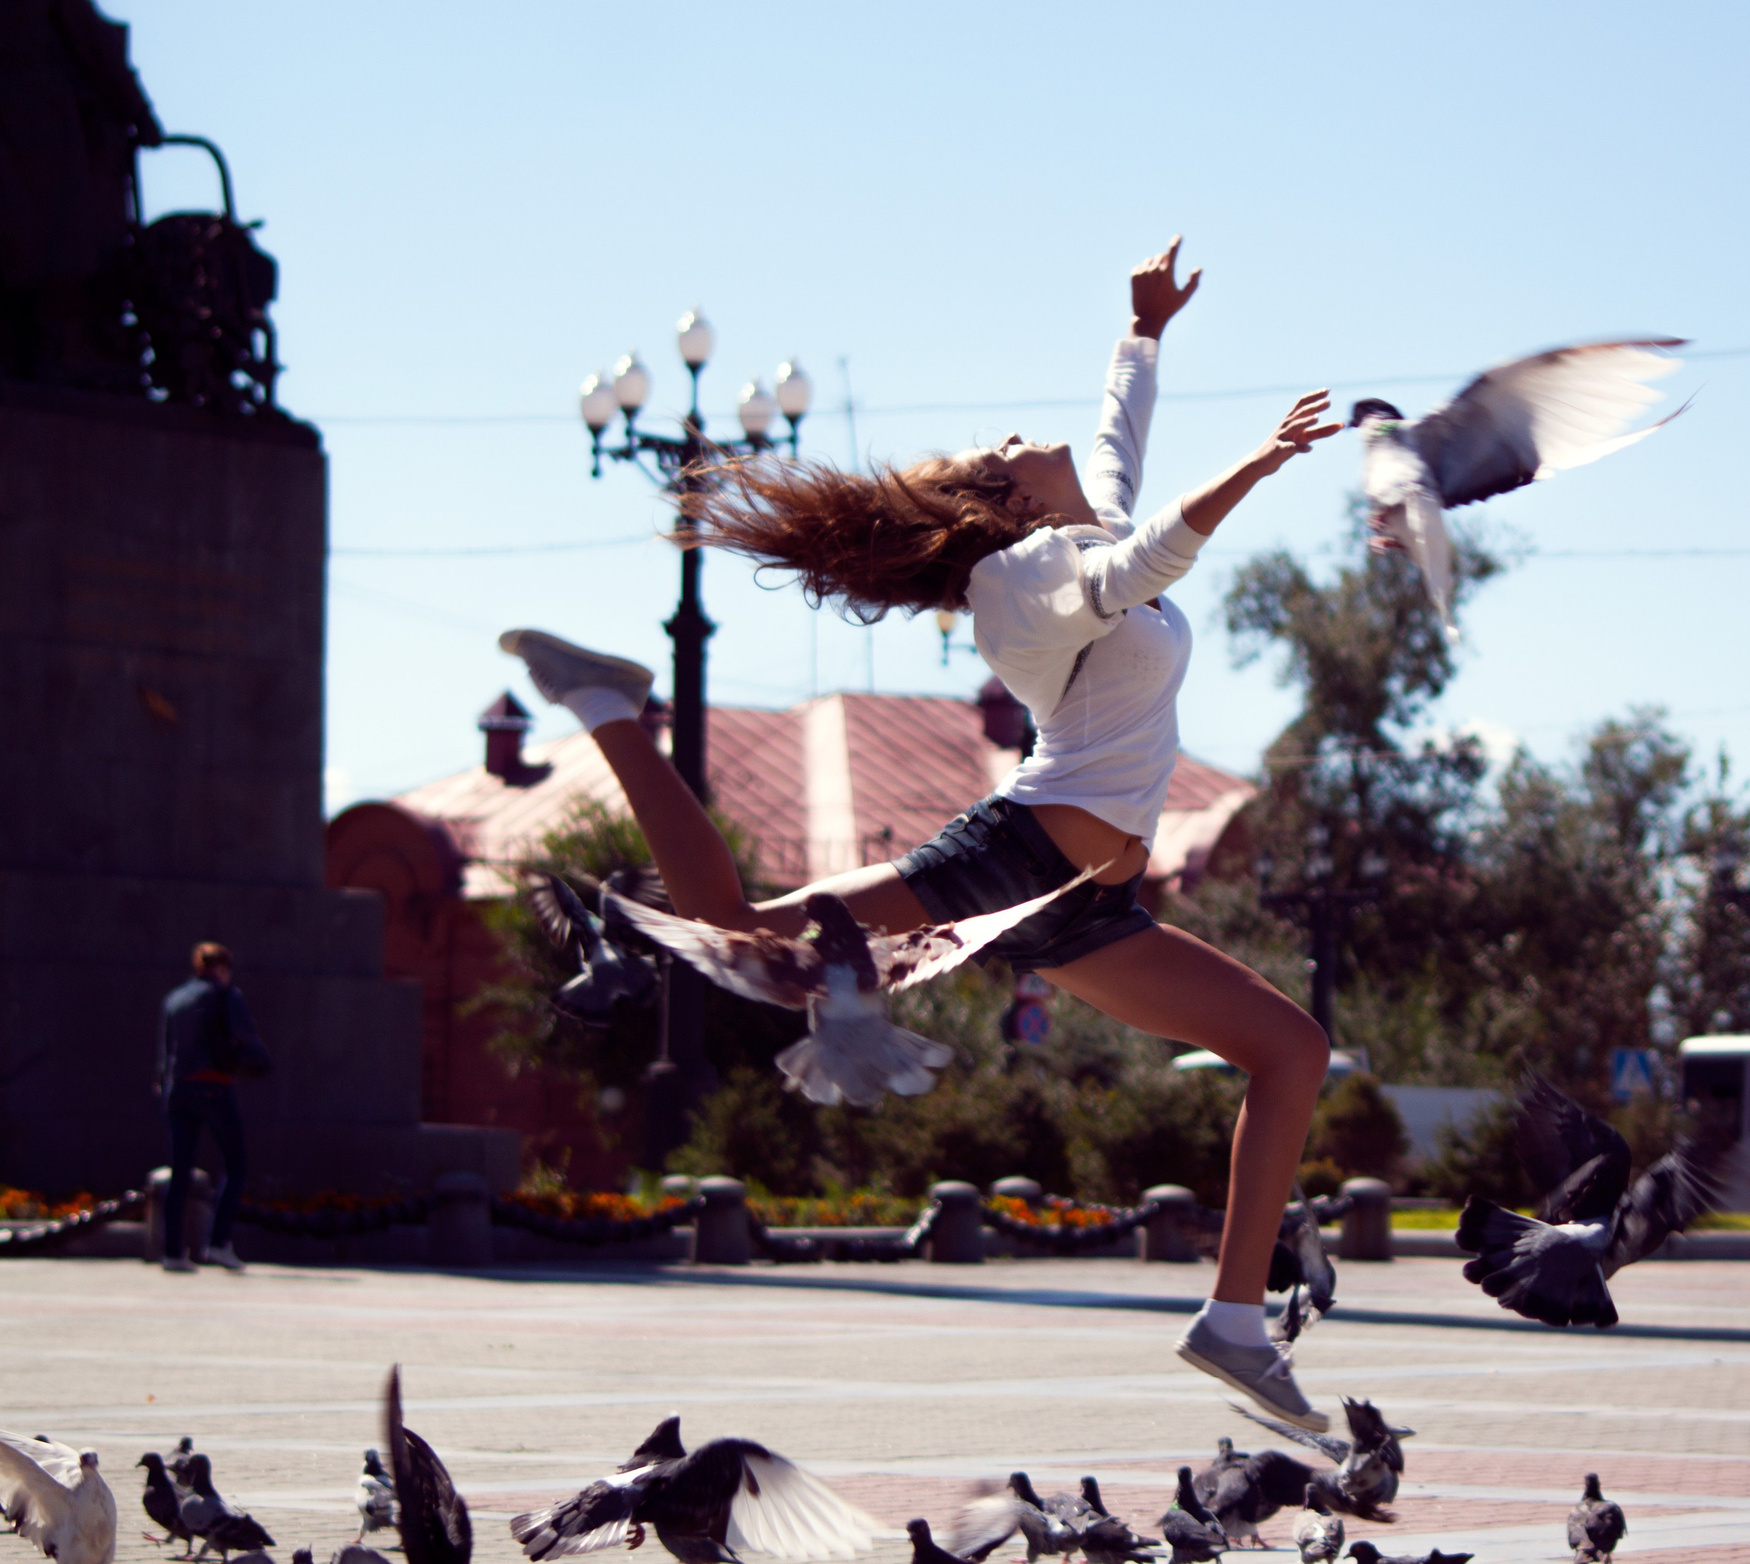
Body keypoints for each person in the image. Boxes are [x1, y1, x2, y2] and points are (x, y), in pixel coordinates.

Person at [499, 240, 1343, 1428]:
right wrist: (1258, 463)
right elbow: (1156, 546)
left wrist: (1143, 331)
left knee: (1289, 1051)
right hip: (1018, 856)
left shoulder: (1074, 533)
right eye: (1001, 452)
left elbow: (1118, 444)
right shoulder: (1022, 581)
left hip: (1085, 905)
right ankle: (612, 710)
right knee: (741, 941)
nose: (1018, 437)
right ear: (1005, 504)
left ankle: (1236, 1321)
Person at [157, 941, 269, 1272]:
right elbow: (245, 1038)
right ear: (222, 968)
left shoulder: (174, 999)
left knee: (180, 1171)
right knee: (235, 1166)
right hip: (214, 1087)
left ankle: (172, 1252)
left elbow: (165, 1051)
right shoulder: (225, 995)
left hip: (178, 1090)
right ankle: (218, 1243)